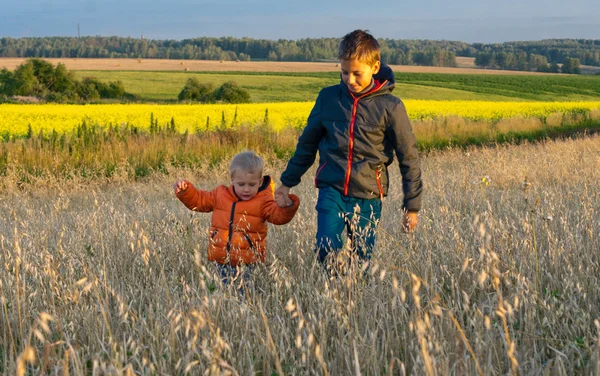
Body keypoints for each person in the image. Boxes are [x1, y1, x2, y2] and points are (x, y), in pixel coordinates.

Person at [275, 29, 423, 271]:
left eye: (357, 74)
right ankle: (331, 295)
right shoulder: (328, 98)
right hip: (331, 189)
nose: (350, 80)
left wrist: (412, 207)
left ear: (375, 67)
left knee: (362, 258)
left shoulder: (391, 107)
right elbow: (307, 144)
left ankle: (356, 297)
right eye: (344, 72)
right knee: (326, 246)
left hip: (368, 194)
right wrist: (286, 183)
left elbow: (409, 158)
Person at [175, 151, 300, 289]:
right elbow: (199, 201)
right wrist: (185, 192)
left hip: (247, 260)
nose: (246, 189)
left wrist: (287, 206)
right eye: (241, 184)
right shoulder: (220, 195)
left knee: (243, 293)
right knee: (222, 292)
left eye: (252, 185)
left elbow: (278, 217)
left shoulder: (264, 201)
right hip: (221, 257)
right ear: (232, 180)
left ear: (259, 182)